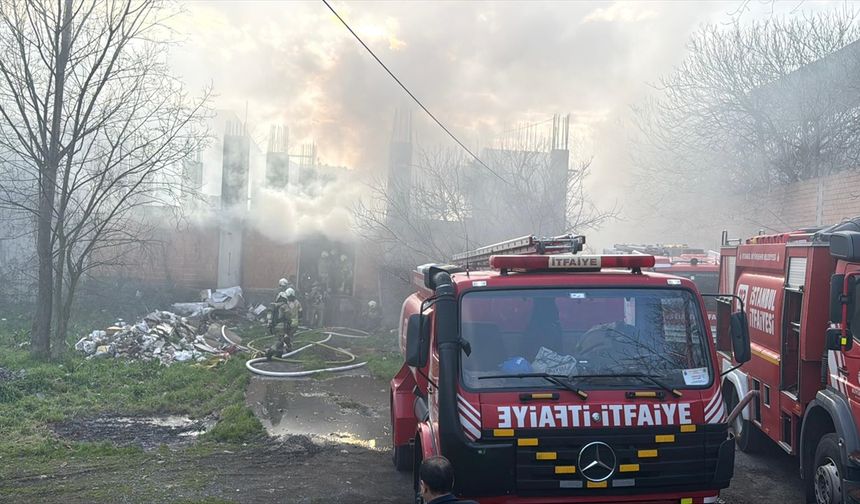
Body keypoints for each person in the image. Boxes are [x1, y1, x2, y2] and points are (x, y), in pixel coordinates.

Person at [267, 287, 302, 358]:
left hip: (273, 326)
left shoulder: (273, 305)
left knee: (280, 339)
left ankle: (279, 353)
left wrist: (269, 323)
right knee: (280, 340)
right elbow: (288, 317)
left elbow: (269, 315)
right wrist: (289, 323)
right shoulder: (285, 306)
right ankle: (270, 351)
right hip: (282, 326)